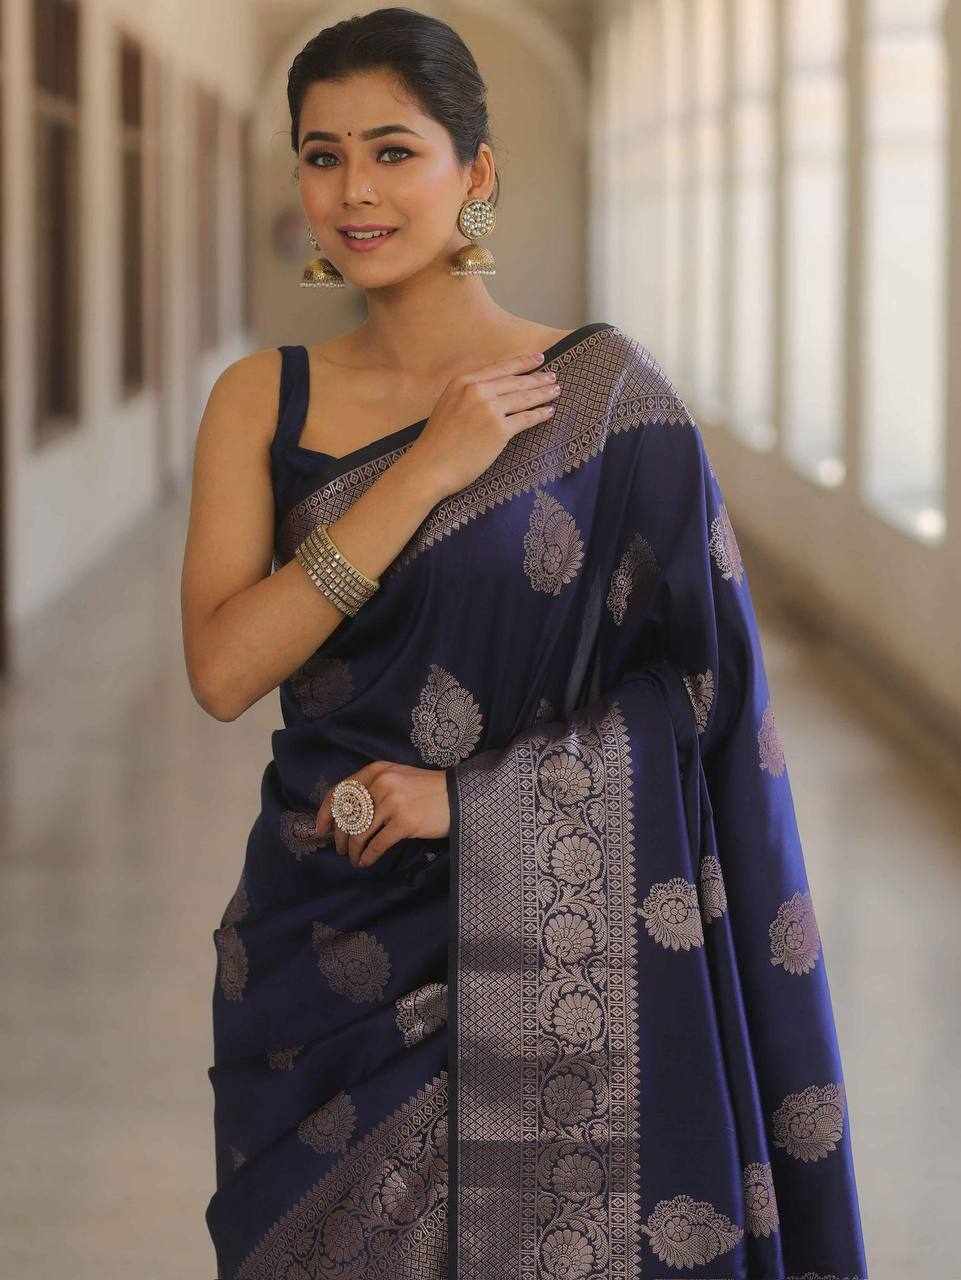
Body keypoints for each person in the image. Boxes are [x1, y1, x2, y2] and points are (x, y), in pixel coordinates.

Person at [180, 9, 868, 1279]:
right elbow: (223, 669)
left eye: (394, 151)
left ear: (476, 172)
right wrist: (426, 467)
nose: (355, 190)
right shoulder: (260, 398)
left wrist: (477, 801)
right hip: (320, 944)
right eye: (323, 155)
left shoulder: (605, 401)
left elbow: (699, 694)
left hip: (559, 938)